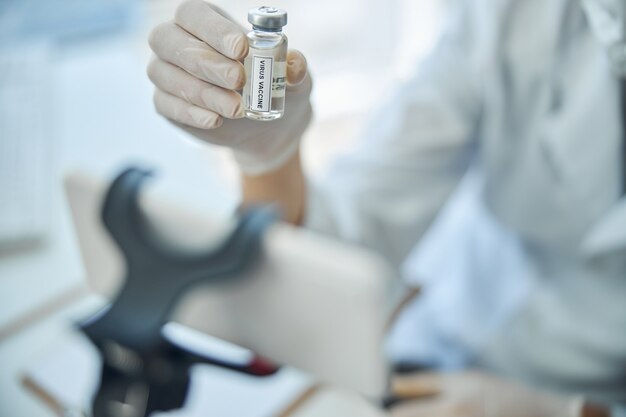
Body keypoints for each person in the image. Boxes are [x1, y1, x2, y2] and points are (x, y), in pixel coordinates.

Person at [146, 0, 626, 415]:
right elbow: (350, 232)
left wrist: (579, 413)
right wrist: (268, 156)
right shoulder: (516, 14)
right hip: (432, 345)